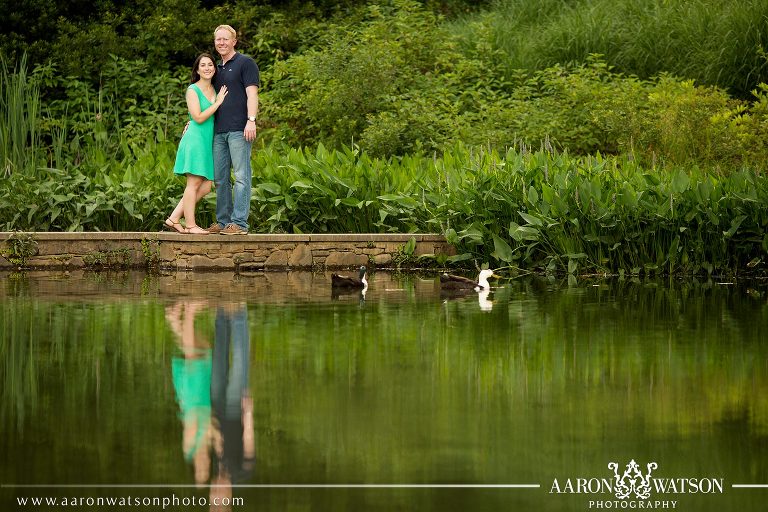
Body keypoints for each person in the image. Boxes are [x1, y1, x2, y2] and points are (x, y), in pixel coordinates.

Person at [164, 53, 228, 235]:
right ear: (197, 70)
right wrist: (217, 103)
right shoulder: (193, 89)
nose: (207, 68)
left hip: (207, 141)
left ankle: (174, 218)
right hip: (195, 140)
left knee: (206, 186)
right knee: (193, 184)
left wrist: (217, 100)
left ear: (214, 69)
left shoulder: (215, 90)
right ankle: (191, 225)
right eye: (203, 65)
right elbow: (198, 117)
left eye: (210, 65)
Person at [207, 25, 260, 236]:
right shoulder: (215, 69)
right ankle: (223, 222)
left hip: (240, 129)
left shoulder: (246, 63)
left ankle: (239, 224)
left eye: (225, 39)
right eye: (218, 39)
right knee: (220, 178)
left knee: (241, 177)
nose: (221, 43)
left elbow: (252, 95)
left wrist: (251, 120)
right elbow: (207, 100)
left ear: (234, 41)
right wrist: (193, 121)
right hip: (218, 131)